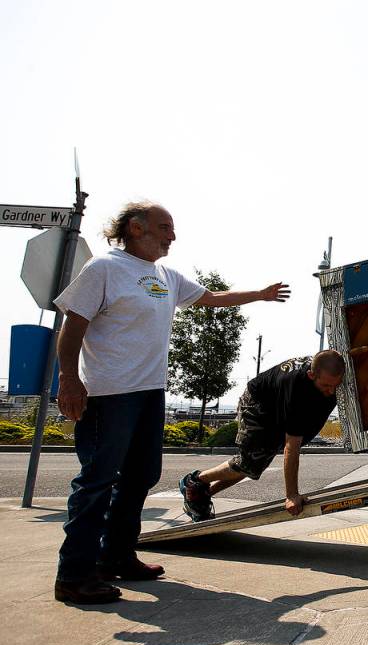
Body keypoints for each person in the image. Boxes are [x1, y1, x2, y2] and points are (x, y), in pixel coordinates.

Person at [53, 201, 290, 605]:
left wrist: (260, 295)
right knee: (96, 481)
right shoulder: (104, 268)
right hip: (110, 395)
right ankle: (74, 574)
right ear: (135, 227)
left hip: (149, 393)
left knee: (141, 475)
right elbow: (73, 325)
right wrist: (70, 380)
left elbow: (212, 297)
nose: (172, 236)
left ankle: (117, 556)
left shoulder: (164, 275)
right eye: (165, 227)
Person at [178, 351, 344, 523]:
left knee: (256, 466)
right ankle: (194, 481)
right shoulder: (297, 389)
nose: (331, 391)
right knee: (250, 462)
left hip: (275, 410)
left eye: (336, 385)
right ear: (311, 375)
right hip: (257, 404)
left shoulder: (330, 367)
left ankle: (200, 494)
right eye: (326, 386)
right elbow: (291, 447)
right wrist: (292, 495)